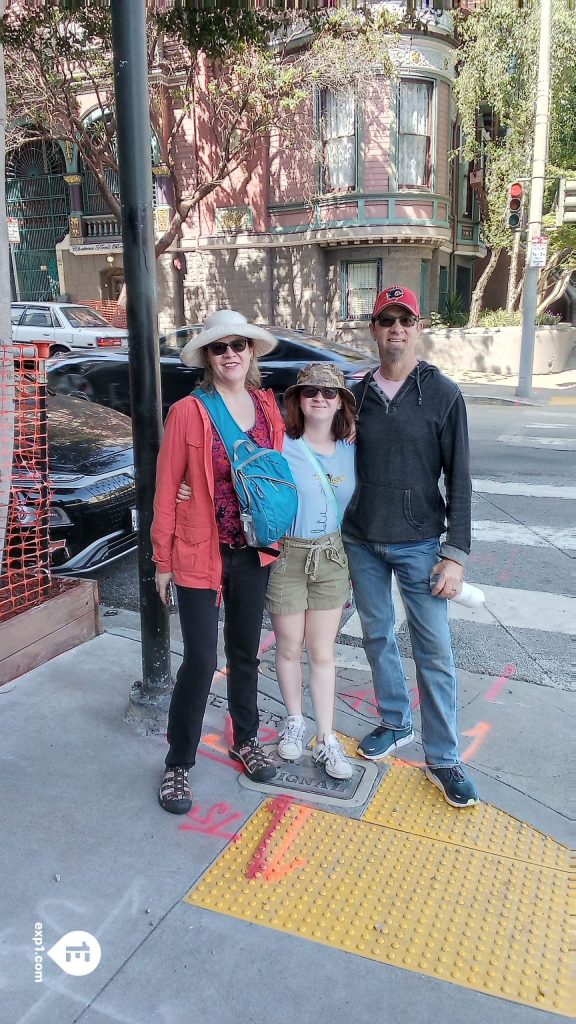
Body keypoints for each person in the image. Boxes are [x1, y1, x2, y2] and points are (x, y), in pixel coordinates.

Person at [343, 285, 480, 808]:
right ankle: (395, 721)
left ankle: (444, 757)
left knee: (435, 653)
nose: (395, 329)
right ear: (374, 329)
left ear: (417, 327)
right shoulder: (356, 396)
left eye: (405, 320)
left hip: (422, 543)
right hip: (361, 540)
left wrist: (456, 554)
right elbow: (331, 462)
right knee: (376, 636)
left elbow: (460, 480)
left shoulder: (444, 395)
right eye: (386, 320)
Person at [151, 309, 286, 815]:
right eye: (219, 347)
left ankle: (244, 738)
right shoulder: (189, 410)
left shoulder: (267, 407)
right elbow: (168, 487)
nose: (230, 354)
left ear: (251, 352)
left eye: (239, 346)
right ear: (207, 357)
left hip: (253, 550)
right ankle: (178, 763)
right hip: (198, 550)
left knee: (246, 654)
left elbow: (277, 475)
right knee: (202, 660)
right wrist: (162, 558)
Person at [265, 364, 357, 781]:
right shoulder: (281, 443)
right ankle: (295, 720)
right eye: (310, 392)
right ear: (298, 400)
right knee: (288, 646)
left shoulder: (352, 448)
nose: (319, 398)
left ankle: (325, 737)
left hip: (332, 558)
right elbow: (238, 473)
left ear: (340, 402)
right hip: (288, 555)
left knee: (322, 652)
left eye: (329, 392)